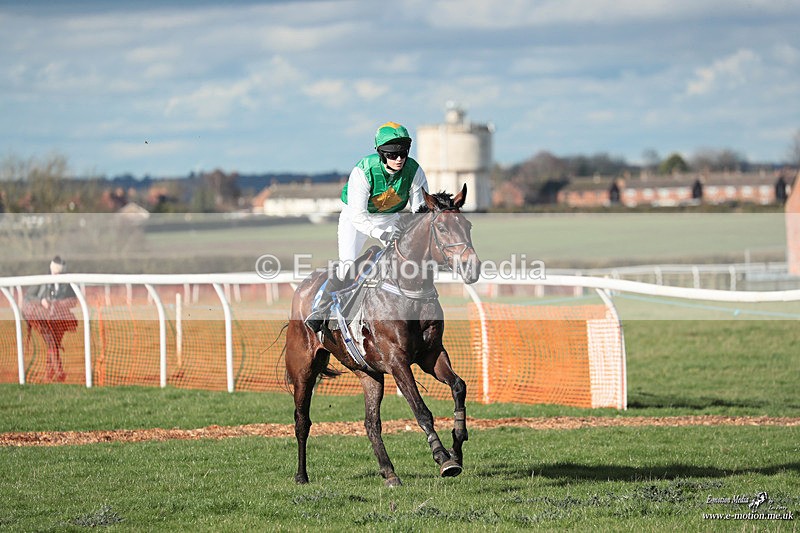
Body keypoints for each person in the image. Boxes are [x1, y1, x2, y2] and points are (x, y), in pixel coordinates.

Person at [305, 121, 430, 332]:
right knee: (347, 266)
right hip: (356, 219)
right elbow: (358, 216)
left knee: (408, 260)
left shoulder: (414, 171)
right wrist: (382, 233)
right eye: (392, 154)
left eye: (403, 153)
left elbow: (420, 211)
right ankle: (321, 310)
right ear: (381, 153)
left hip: (391, 217)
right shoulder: (363, 171)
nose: (399, 159)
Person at [22, 256, 78, 382]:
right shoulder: (43, 281)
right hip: (42, 319)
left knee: (53, 345)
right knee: (51, 343)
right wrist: (41, 301)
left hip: (60, 319)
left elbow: (73, 300)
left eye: (59, 273)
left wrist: (59, 305)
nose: (57, 276)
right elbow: (28, 297)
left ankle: (51, 373)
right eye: (55, 273)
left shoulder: (67, 284)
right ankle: (58, 372)